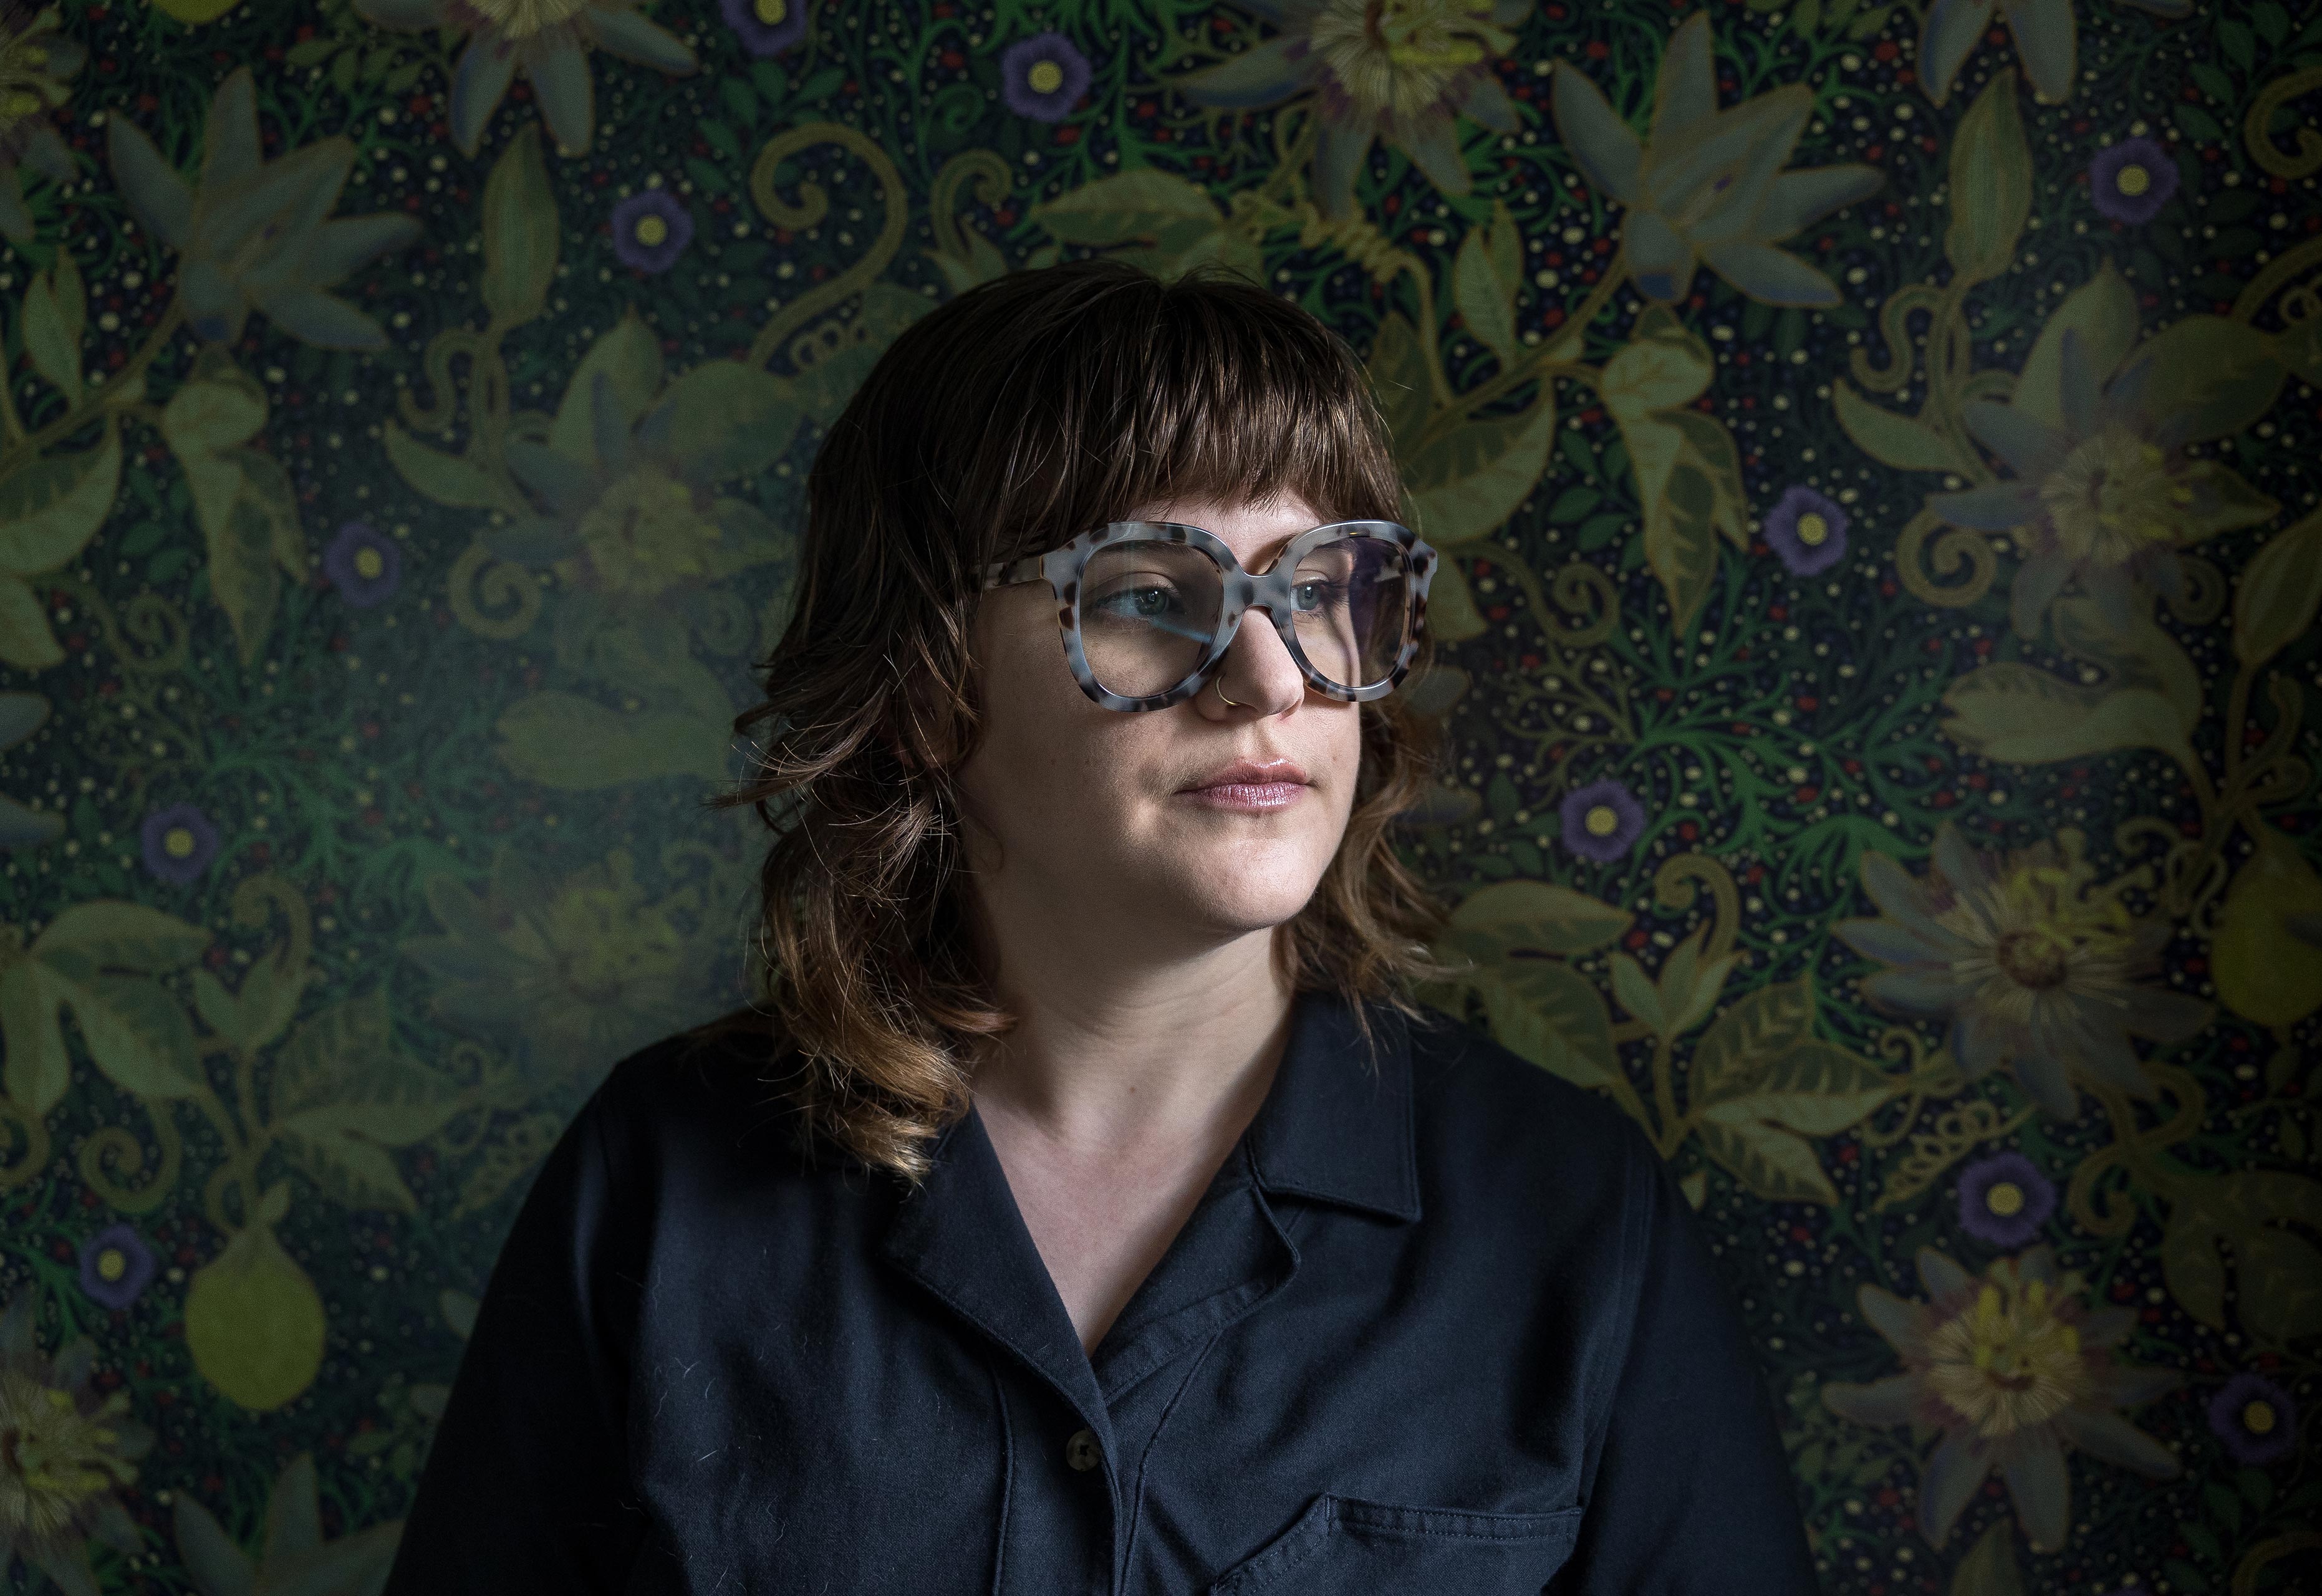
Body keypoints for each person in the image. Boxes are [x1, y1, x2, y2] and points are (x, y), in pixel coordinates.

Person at [383, 257, 1817, 1594]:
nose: (1271, 678)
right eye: (1149, 595)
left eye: (1323, 589)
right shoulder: (663, 1179)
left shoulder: (1567, 1208)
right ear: (931, 684)